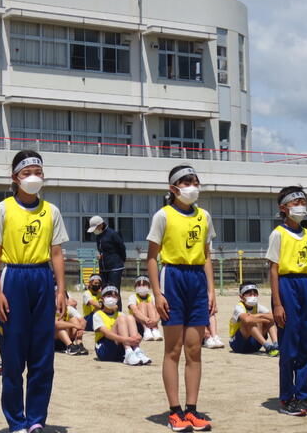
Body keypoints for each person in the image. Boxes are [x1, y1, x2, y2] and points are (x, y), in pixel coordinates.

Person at [0, 149, 68, 433]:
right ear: (15, 177)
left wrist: (61, 290)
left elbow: (57, 253)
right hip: (14, 277)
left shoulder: (51, 211)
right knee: (13, 355)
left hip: (42, 277)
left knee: (42, 355)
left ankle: (36, 420)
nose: (33, 177)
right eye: (27, 173)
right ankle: (16, 421)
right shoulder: (2, 209)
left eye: (38, 172)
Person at [147, 164, 216, 432]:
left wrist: (211, 290)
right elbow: (152, 258)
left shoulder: (204, 216)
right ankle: (175, 411)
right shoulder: (163, 215)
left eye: (195, 182)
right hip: (173, 278)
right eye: (186, 182)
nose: (192, 187)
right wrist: (157, 293)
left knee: (195, 349)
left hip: (197, 279)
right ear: (173, 188)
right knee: (173, 349)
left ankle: (192, 410)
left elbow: (207, 255)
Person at [266, 186, 307, 417]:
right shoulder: (278, 234)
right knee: (289, 346)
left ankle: (302, 396)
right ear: (283, 207)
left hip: (306, 287)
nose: (301, 206)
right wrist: (277, 303)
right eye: (295, 202)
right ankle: (287, 397)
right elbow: (273, 269)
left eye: (303, 202)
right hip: (287, 286)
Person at [94, 285, 151, 365]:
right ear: (102, 298)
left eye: (114, 296)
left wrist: (137, 336)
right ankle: (128, 351)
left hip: (120, 349)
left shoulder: (120, 313)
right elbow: (106, 333)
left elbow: (130, 331)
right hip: (104, 350)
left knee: (130, 317)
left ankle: (136, 350)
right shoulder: (98, 315)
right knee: (121, 319)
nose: (112, 298)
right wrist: (126, 339)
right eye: (109, 295)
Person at [229, 282, 278, 356]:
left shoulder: (258, 306)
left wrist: (259, 315)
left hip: (254, 344)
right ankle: (267, 346)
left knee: (269, 320)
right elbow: (247, 320)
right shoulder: (239, 307)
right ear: (241, 297)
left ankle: (276, 345)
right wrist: (261, 318)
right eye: (249, 294)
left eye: (255, 294)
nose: (253, 296)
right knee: (249, 322)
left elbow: (274, 317)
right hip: (238, 344)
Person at [90, 216, 127, 305]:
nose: (95, 231)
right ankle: (106, 310)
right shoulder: (98, 236)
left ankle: (117, 310)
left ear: (101, 225)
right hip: (103, 268)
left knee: (114, 290)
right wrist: (101, 256)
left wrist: (121, 260)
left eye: (95, 228)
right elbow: (102, 250)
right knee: (105, 290)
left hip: (115, 267)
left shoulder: (112, 234)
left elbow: (122, 247)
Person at [127, 275, 163, 341]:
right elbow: (134, 311)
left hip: (152, 322)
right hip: (138, 323)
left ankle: (155, 330)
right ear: (135, 287)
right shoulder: (133, 297)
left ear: (149, 286)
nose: (141, 287)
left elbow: (158, 309)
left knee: (150, 305)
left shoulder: (152, 297)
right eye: (139, 285)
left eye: (144, 284)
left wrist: (156, 320)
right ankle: (146, 329)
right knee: (142, 304)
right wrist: (146, 319)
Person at [55, 288, 88, 356]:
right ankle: (70, 346)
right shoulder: (52, 309)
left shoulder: (69, 309)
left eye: (63, 298)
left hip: (68, 338)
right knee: (59, 326)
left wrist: (81, 329)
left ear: (67, 300)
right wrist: (74, 326)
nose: (60, 300)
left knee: (74, 319)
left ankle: (79, 344)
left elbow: (83, 320)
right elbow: (56, 324)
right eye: (57, 298)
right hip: (55, 341)